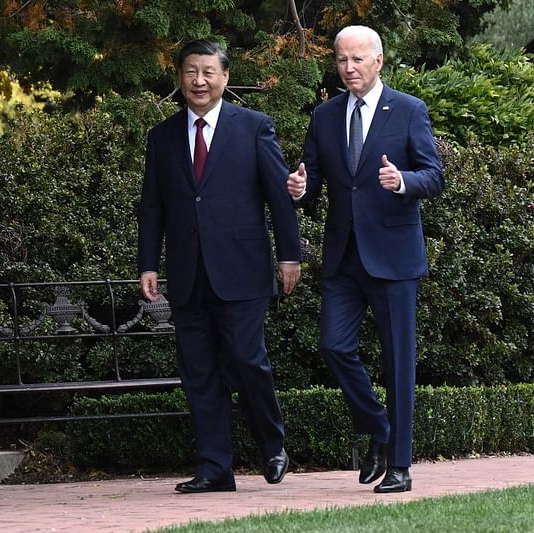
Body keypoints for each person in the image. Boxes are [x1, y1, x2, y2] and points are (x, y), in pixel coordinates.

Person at [138, 39, 302, 493]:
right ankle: (215, 469)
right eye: (191, 72)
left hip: (244, 270)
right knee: (199, 372)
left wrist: (290, 255)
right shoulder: (163, 136)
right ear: (180, 78)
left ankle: (272, 443)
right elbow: (152, 207)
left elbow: (279, 197)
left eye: (208, 72)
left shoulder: (254, 127)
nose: (199, 81)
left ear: (225, 78)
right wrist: (148, 263)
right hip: (189, 275)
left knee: (248, 359)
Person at [287, 25, 444, 493]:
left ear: (378, 61)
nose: (349, 68)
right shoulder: (324, 116)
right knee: (333, 346)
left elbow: (433, 175)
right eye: (341, 60)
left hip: (393, 255)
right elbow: (312, 175)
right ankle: (379, 426)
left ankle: (400, 466)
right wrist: (301, 188)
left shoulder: (409, 110)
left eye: (357, 60)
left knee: (399, 361)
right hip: (343, 257)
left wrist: (402, 183)